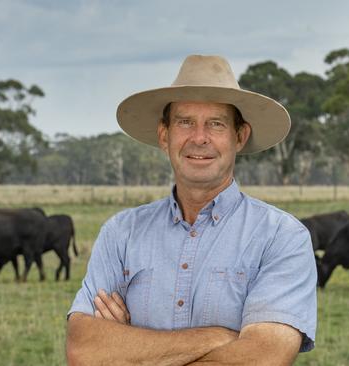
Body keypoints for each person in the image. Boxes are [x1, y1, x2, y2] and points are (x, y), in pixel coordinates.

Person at [66, 55, 317, 365]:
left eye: (216, 124)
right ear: (164, 136)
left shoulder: (282, 236)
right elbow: (83, 349)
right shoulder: (121, 232)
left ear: (239, 136)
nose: (199, 138)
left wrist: (131, 351)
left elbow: (263, 357)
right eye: (185, 122)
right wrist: (218, 337)